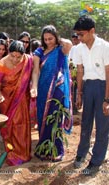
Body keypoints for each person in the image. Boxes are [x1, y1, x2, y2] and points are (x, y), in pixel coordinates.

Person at [72, 15, 109, 176]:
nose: (79, 38)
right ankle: (82, 153)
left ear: (92, 31)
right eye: (77, 35)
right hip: (88, 86)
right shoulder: (79, 49)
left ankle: (96, 161)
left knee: (102, 125)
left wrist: (107, 99)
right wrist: (79, 94)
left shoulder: (105, 47)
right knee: (86, 121)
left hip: (103, 86)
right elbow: (80, 71)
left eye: (81, 34)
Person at [30, 25, 73, 162]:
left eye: (51, 38)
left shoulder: (61, 49)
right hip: (43, 88)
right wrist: (34, 87)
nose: (48, 41)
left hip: (58, 88)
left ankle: (56, 150)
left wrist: (59, 40)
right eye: (45, 39)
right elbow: (36, 71)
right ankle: (43, 149)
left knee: (55, 117)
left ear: (56, 37)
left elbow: (69, 44)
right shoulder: (39, 52)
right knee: (43, 115)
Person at [0, 40, 33, 166]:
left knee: (22, 125)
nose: (15, 59)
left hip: (22, 99)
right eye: (12, 56)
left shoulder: (28, 61)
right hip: (6, 100)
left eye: (18, 57)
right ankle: (12, 153)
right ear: (8, 53)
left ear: (23, 55)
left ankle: (23, 153)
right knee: (10, 127)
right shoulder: (1, 65)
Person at [69, 33, 81, 114]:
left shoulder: (76, 48)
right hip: (75, 70)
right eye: (73, 39)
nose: (74, 41)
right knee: (74, 89)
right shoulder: (74, 47)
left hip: (77, 70)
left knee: (75, 89)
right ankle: (74, 107)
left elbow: (71, 60)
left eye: (75, 39)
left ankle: (76, 106)